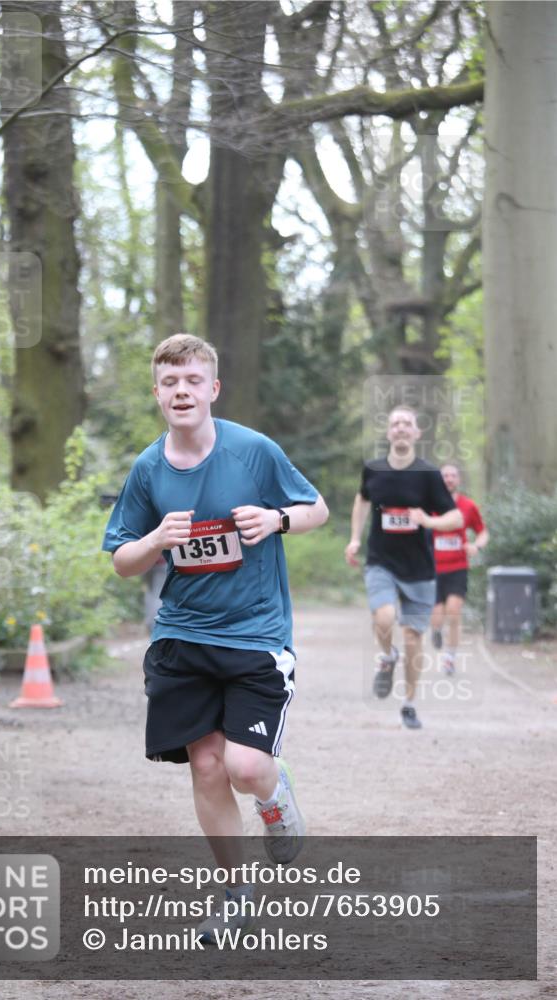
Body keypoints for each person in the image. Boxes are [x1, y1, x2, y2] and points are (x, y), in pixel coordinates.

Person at [101, 333, 329, 939]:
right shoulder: (148, 469)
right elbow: (121, 558)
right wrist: (154, 543)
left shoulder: (253, 452)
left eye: (193, 381)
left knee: (246, 767)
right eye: (170, 382)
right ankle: (236, 893)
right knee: (205, 767)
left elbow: (316, 508)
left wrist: (277, 519)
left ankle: (275, 799)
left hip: (255, 634)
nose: (182, 391)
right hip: (182, 636)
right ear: (157, 393)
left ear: (213, 389)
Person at [345, 406, 463, 730]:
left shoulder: (428, 474)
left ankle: (409, 703)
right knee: (382, 617)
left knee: (413, 638)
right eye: (395, 423)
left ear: (416, 433)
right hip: (381, 561)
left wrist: (429, 520)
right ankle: (387, 656)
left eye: (406, 424)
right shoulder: (373, 469)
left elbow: (456, 518)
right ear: (388, 432)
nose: (400, 428)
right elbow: (362, 500)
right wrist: (355, 538)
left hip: (420, 568)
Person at [430, 463, 489, 674]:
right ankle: (436, 630)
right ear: (440, 480)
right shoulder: (431, 504)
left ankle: (450, 657)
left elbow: (483, 532)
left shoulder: (468, 506)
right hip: (433, 568)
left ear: (458, 480)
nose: (448, 479)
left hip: (457, 566)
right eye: (444, 475)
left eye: (452, 475)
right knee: (436, 615)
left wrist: (477, 545)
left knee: (454, 611)